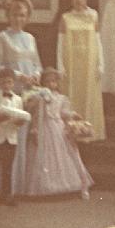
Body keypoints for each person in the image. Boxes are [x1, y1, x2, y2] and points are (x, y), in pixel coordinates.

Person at [0, 0, 42, 196]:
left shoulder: (30, 38)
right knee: (7, 137)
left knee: (23, 137)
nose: (18, 19)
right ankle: (3, 187)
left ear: (27, 17)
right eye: (14, 15)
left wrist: (35, 75)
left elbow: (37, 63)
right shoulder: (2, 37)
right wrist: (19, 76)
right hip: (9, 91)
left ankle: (20, 185)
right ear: (8, 16)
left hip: (27, 93)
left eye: (22, 15)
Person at [25, 67, 93, 198]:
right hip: (43, 126)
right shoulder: (40, 96)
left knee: (66, 155)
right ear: (43, 83)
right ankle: (45, 186)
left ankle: (73, 184)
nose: (51, 85)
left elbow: (62, 113)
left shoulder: (61, 98)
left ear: (57, 83)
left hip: (58, 127)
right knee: (43, 155)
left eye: (53, 82)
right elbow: (33, 111)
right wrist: (39, 100)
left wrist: (73, 115)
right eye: (48, 82)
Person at [57, 0, 105, 141]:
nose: (78, 0)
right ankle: (71, 132)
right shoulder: (65, 17)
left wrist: (100, 63)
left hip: (89, 63)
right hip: (71, 63)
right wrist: (60, 65)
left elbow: (98, 40)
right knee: (71, 95)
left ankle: (87, 134)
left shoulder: (93, 16)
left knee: (88, 95)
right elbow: (60, 43)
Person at [0, 68, 28, 207]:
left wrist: (19, 122)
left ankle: (7, 195)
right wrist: (0, 118)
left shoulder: (18, 100)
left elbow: (19, 119)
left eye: (9, 82)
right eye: (4, 82)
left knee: (8, 168)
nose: (6, 85)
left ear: (13, 83)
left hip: (11, 138)